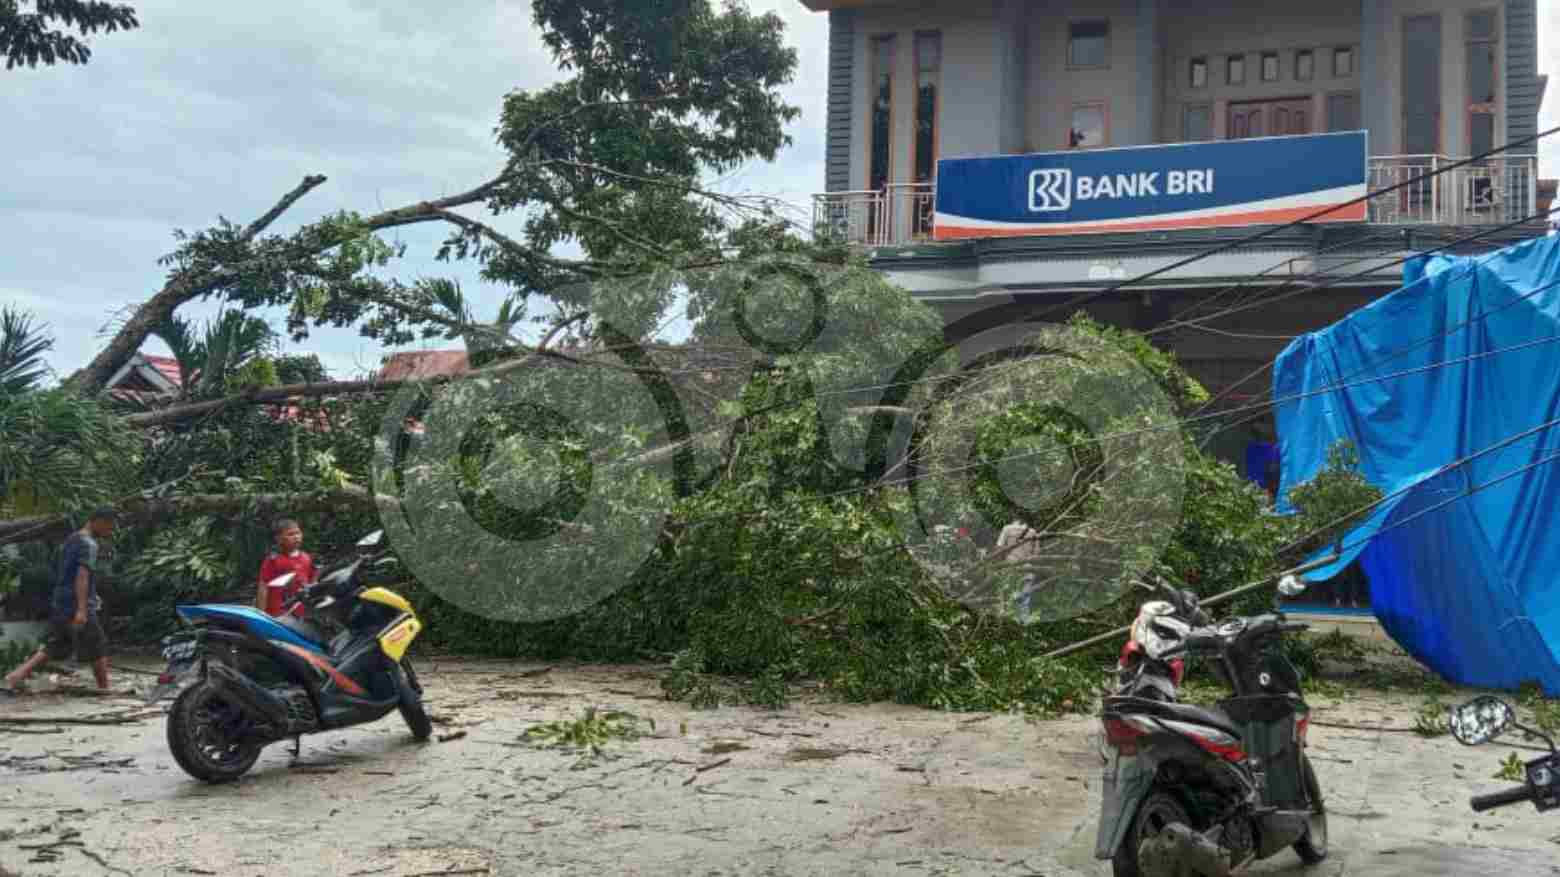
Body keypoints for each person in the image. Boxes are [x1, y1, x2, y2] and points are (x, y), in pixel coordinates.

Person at [4, 507, 117, 692]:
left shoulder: (71, 539)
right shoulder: (89, 544)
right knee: (97, 644)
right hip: (76, 603)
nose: (109, 532)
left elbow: (66, 573)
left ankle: (16, 675)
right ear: (99, 521)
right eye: (109, 527)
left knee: (59, 644)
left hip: (61, 600)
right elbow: (82, 575)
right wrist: (81, 609)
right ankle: (104, 688)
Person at [256, 518, 316, 618]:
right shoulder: (272, 560)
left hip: (300, 614)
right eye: (290, 534)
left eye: (298, 533)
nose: (296, 537)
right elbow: (263, 587)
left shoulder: (306, 558)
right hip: (277, 615)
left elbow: (311, 583)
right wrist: (260, 616)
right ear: (279, 538)